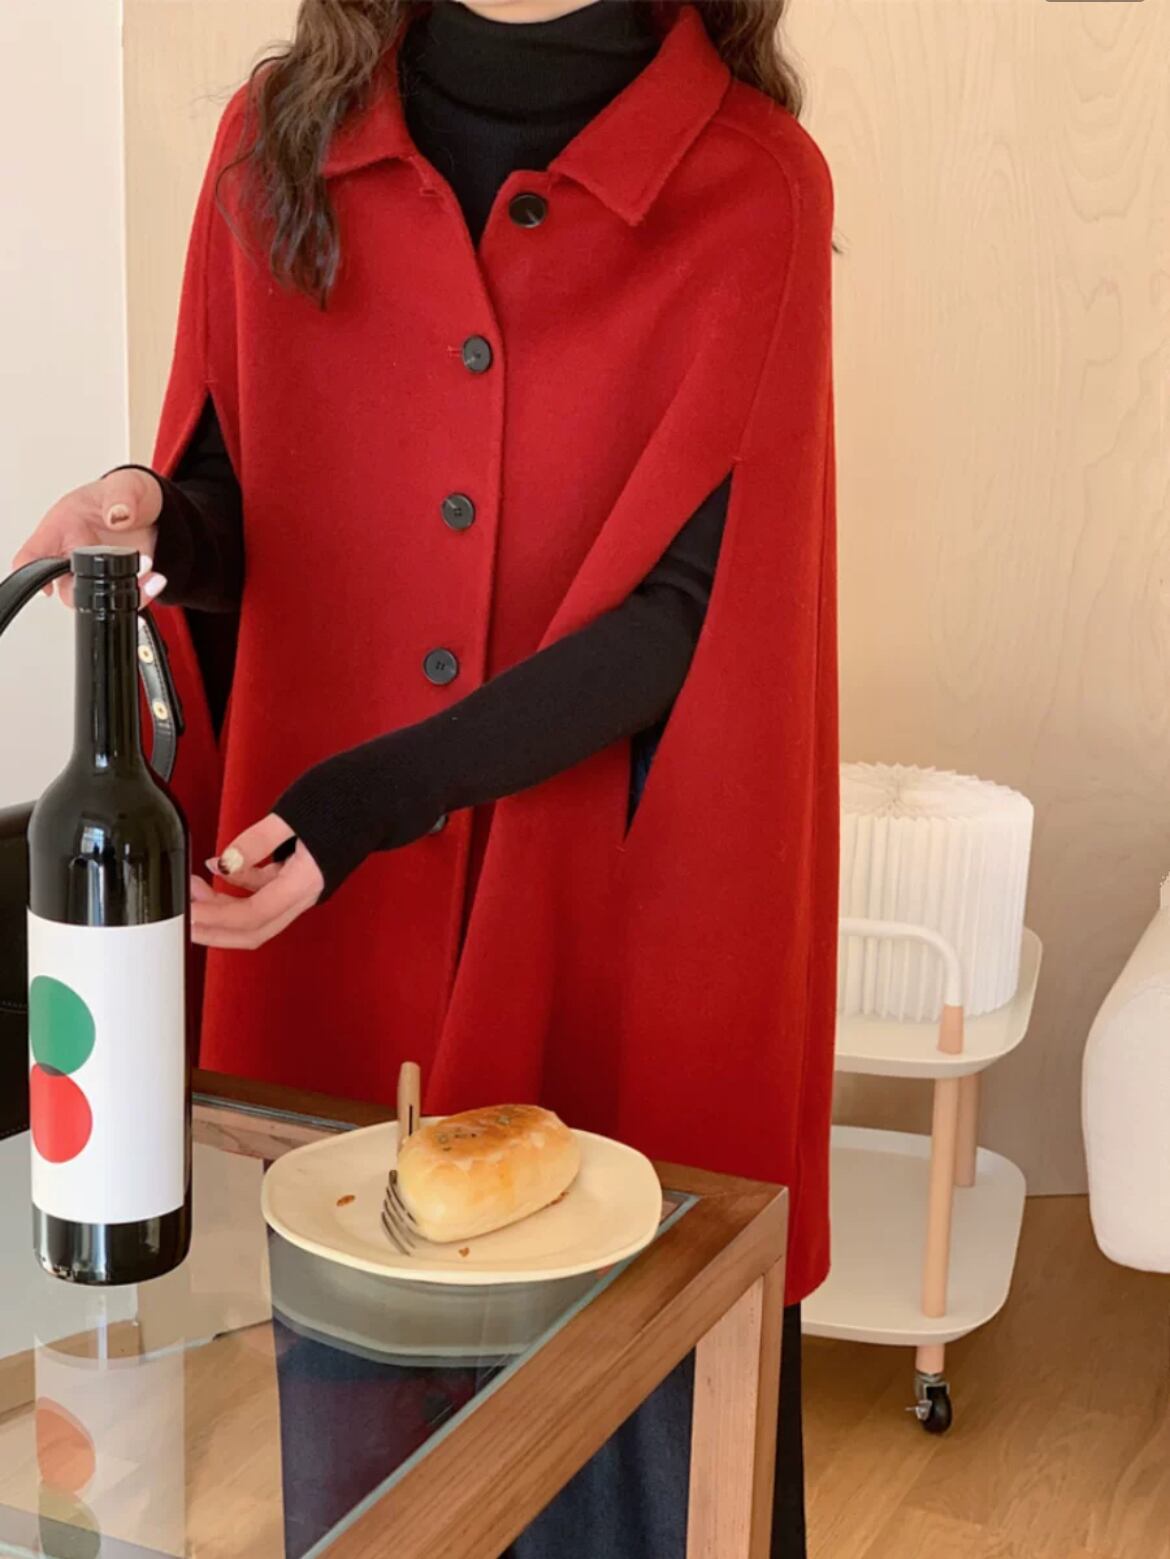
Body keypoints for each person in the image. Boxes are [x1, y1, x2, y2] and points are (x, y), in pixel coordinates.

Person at [15, 2, 838, 1552]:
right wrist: (149, 517)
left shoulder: (753, 186)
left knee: (636, 1454)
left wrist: (359, 806)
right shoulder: (273, 147)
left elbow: (689, 618)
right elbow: (235, 497)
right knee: (371, 1479)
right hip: (335, 939)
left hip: (601, 922)